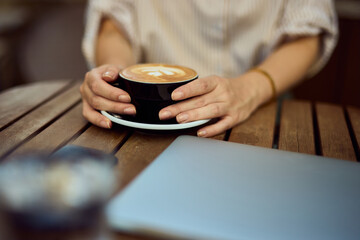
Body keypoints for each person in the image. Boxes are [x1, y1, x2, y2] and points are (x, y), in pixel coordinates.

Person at [80, 0, 338, 138]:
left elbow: (308, 31)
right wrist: (115, 75)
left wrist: (249, 88)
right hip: (145, 120)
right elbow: (113, 24)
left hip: (263, 107)